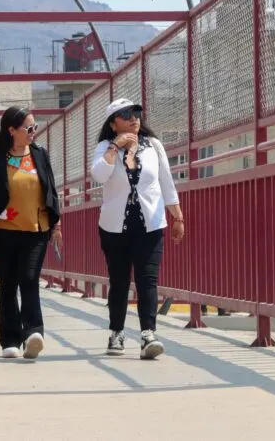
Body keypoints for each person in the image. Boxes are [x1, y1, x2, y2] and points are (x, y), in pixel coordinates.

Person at [90, 98, 184, 360]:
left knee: (147, 279)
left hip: (150, 223)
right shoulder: (103, 148)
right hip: (115, 227)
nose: (134, 118)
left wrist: (178, 217)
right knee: (119, 281)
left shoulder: (153, 146)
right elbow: (98, 175)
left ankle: (148, 335)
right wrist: (115, 147)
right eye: (126, 114)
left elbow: (166, 182)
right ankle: (117, 332)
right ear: (113, 123)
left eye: (137, 113)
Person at [0, 106, 62, 360]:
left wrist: (57, 225)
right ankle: (10, 339)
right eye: (29, 128)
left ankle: (33, 332)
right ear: (11, 130)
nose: (34, 132)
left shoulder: (39, 154)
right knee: (8, 284)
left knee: (30, 278)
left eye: (35, 126)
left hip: (37, 229)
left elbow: (51, 191)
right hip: (3, 230)